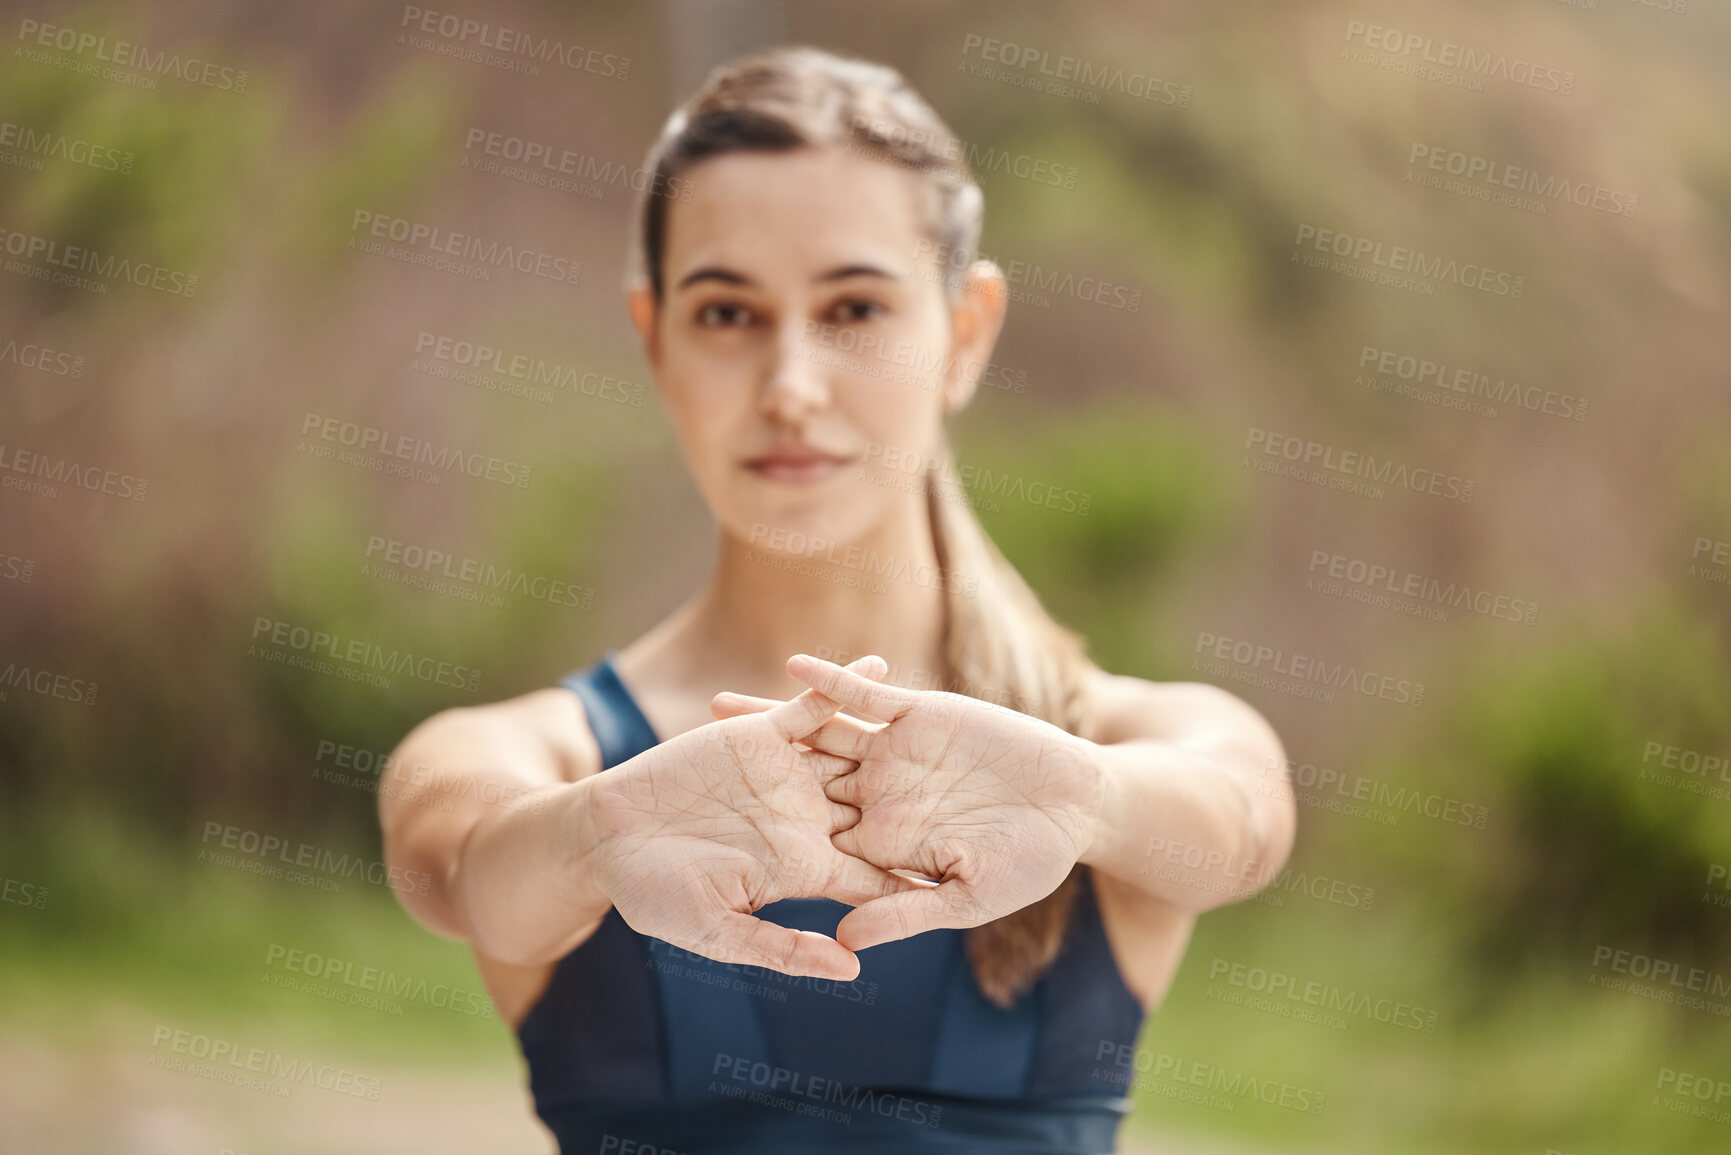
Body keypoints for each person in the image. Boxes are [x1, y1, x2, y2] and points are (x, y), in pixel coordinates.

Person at [380, 44, 1295, 1155]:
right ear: (654, 338)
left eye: (855, 306)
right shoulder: (535, 757)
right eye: (726, 314)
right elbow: (461, 868)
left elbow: (1242, 824)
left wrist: (1093, 802)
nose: (791, 388)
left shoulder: (1118, 744)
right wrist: (590, 838)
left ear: (964, 333)